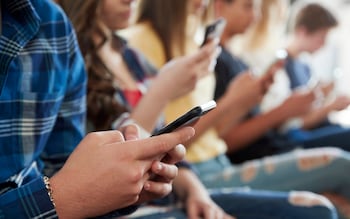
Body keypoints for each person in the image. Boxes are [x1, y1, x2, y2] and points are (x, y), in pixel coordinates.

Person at [58, 0, 340, 219]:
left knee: (323, 202)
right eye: (247, 6)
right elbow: (133, 147)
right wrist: (171, 91)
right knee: (329, 186)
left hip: (182, 177)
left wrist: (195, 190)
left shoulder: (131, 55)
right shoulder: (108, 50)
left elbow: (161, 140)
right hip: (164, 185)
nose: (204, 3)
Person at [0, 0, 197, 218]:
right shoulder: (79, 50)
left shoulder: (55, 28)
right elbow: (71, 186)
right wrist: (161, 92)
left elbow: (67, 171)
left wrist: (120, 187)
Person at [280, 2, 350, 149]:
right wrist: (329, 107)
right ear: (302, 31)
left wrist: (324, 99)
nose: (323, 44)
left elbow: (310, 111)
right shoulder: (281, 67)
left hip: (313, 129)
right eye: (321, 37)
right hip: (296, 136)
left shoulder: (304, 67)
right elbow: (294, 123)